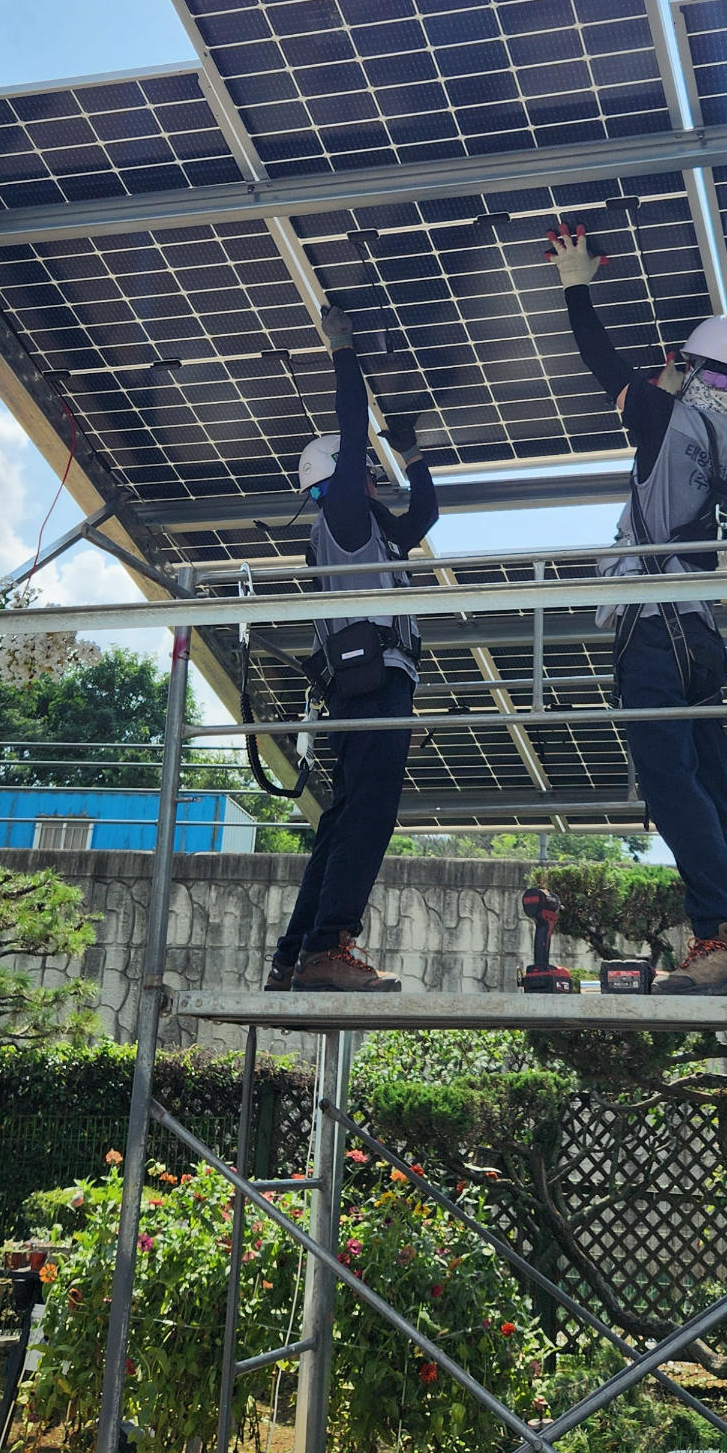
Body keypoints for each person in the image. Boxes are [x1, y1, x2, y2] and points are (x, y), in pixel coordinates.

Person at [545, 222, 727, 997]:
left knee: (670, 783)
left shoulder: (661, 417)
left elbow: (601, 361)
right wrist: (680, 381)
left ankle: (719, 933)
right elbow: (689, 457)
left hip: (655, 630)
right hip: (705, 638)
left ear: (690, 366)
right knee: (710, 786)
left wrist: (576, 285)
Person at [265, 303, 439, 993]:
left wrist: (414, 453)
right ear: (340, 477)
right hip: (371, 687)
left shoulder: (370, 531)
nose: (372, 474)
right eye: (365, 466)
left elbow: (423, 515)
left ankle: (296, 955)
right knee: (367, 816)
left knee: (344, 820)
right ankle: (329, 948)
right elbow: (347, 420)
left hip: (369, 687)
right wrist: (343, 351)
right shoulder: (341, 516)